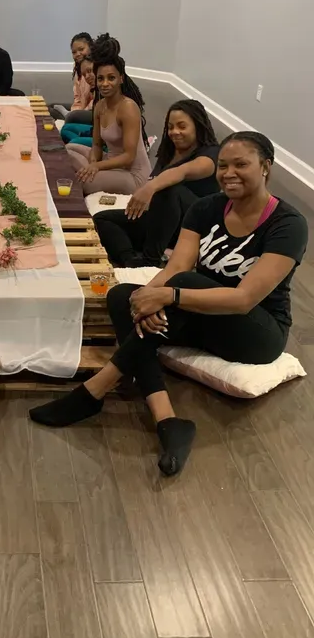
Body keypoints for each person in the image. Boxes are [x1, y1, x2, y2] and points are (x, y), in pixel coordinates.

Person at [30, 132, 308, 477]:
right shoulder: (206, 208)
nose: (228, 173)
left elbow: (243, 299)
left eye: (241, 164)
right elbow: (175, 266)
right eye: (222, 165)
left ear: (265, 167)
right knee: (122, 296)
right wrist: (145, 301)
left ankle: (94, 390)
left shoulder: (287, 224)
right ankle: (167, 419)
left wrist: (169, 296)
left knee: (181, 285)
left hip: (256, 330)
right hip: (202, 313)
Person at [95, 99, 220, 266]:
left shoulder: (211, 154)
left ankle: (151, 259)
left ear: (198, 126)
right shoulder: (169, 151)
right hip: (161, 222)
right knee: (102, 219)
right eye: (170, 127)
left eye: (182, 126)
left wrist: (150, 188)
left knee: (169, 189)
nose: (175, 132)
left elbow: (181, 172)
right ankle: (130, 261)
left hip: (193, 227)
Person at [67, 36, 151, 195]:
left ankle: (88, 177)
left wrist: (96, 167)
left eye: (111, 78)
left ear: (121, 79)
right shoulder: (99, 106)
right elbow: (97, 145)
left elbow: (129, 156)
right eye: (100, 79)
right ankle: (89, 174)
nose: (105, 84)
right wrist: (93, 163)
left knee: (83, 183)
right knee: (68, 149)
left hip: (132, 174)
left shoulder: (128, 108)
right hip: (110, 162)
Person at [61, 55, 97, 147]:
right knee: (65, 130)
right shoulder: (95, 89)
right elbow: (77, 98)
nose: (87, 77)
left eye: (90, 71)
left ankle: (77, 143)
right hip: (95, 130)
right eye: (84, 75)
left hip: (105, 141)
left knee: (73, 142)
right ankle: (79, 142)